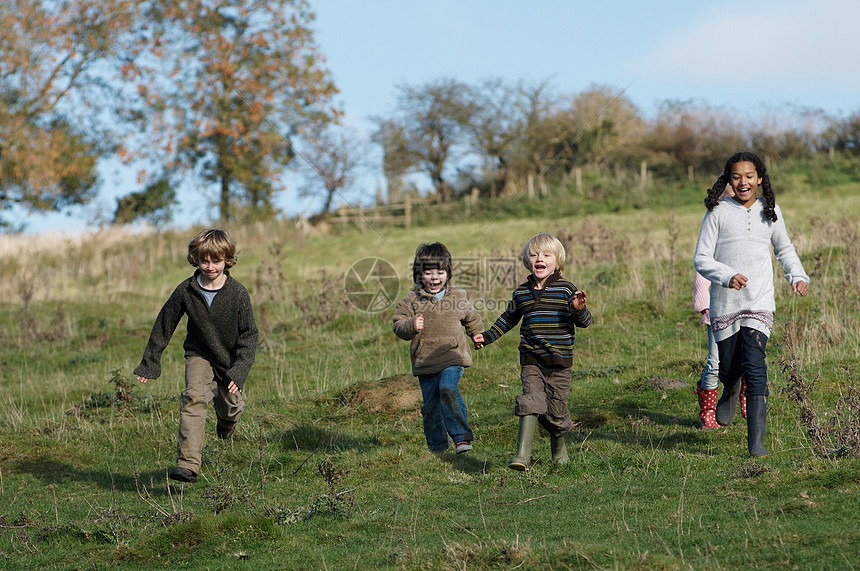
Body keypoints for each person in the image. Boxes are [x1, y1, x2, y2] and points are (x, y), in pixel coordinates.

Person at [694, 152, 809, 456]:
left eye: (749, 176)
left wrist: (797, 275)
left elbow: (784, 249)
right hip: (726, 304)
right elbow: (701, 258)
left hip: (759, 302)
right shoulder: (717, 212)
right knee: (729, 368)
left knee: (756, 367)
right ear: (728, 180)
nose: (743, 182)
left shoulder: (770, 211)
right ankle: (731, 388)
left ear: (759, 178)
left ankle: (756, 444)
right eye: (736, 177)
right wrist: (727, 275)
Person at [134, 228, 258, 483]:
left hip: (230, 361)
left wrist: (239, 369)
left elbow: (250, 336)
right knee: (194, 399)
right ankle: (188, 464)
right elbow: (164, 324)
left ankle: (226, 428)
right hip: (199, 356)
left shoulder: (238, 293)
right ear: (195, 259)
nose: (210, 266)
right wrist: (150, 363)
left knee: (231, 408)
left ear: (228, 260)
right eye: (204, 260)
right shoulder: (186, 291)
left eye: (216, 261)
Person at [473, 233, 591, 470]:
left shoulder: (567, 289)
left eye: (546, 255)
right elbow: (508, 319)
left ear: (557, 262)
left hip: (560, 363)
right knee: (531, 401)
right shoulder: (521, 293)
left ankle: (559, 455)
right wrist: (486, 337)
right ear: (527, 261)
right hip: (531, 360)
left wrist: (579, 309)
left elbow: (585, 322)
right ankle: (522, 456)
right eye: (534, 255)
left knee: (556, 412)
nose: (540, 259)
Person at [392, 243, 484, 455]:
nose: (435, 278)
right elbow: (398, 325)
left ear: (448, 273)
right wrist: (411, 325)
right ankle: (438, 449)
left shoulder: (458, 296)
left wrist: (477, 335)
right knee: (431, 408)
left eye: (440, 272)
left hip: (453, 356)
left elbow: (472, 317)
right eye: (428, 272)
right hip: (425, 361)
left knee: (447, 390)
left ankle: (461, 438)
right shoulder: (410, 301)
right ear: (419, 274)